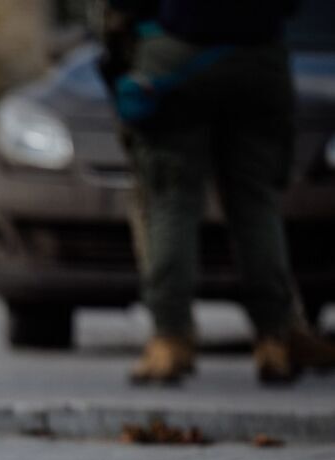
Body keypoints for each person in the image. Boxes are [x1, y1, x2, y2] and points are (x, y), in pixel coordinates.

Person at [107, 0, 310, 385]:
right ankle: (275, 339)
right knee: (257, 205)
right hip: (258, 56)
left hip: (178, 55)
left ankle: (169, 339)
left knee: (171, 201)